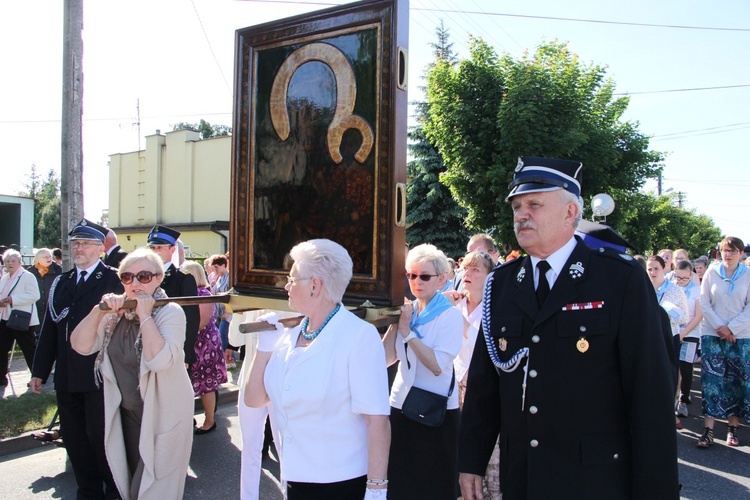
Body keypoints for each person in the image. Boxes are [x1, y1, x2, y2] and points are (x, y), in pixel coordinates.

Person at [458, 156, 679, 500]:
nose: (521, 214)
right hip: (524, 477)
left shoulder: (618, 278)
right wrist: (471, 460)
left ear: (571, 212)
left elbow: (650, 391)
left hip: (593, 479)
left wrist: (655, 488)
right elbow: (485, 385)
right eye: (517, 205)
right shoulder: (502, 283)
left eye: (534, 203)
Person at [245, 239, 390, 500]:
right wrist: (264, 348)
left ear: (315, 285)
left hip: (339, 483)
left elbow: (376, 420)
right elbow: (254, 399)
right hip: (294, 477)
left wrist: (376, 489)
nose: (286, 286)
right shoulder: (290, 334)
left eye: (292, 279)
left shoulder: (358, 336)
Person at [71, 248, 194, 498]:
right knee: (130, 484)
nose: (135, 283)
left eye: (144, 276)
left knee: (156, 487)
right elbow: (80, 346)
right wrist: (99, 311)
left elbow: (159, 361)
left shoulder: (170, 312)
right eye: (127, 277)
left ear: (159, 278)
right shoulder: (116, 315)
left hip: (164, 412)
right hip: (127, 414)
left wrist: (145, 316)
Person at [31, 218, 124, 499]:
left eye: (85, 243)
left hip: (99, 371)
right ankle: (88, 490)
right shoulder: (62, 281)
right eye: (75, 244)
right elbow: (50, 328)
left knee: (101, 436)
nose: (78, 248)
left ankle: (115, 489)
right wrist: (39, 371)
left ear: (100, 248)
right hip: (67, 373)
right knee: (74, 437)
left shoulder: (114, 279)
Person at [384, 243, 463, 500]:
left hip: (434, 408)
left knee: (433, 483)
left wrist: (409, 334)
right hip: (400, 403)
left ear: (441, 280)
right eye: (412, 275)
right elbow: (385, 360)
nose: (417, 281)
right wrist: (395, 325)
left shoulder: (449, 315)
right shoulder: (409, 311)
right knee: (399, 479)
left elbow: (438, 366)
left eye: (424, 276)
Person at [444, 250, 497, 499]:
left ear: (489, 276)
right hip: (453, 393)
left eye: (476, 269)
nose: (468, 273)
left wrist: (455, 316)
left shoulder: (494, 308)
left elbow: (480, 343)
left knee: (480, 461)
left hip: (480, 395)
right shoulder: (453, 303)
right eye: (466, 268)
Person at [697, 236, 750, 448]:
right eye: (725, 251)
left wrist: (732, 328)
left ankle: (732, 429)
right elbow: (704, 302)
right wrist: (720, 327)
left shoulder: (747, 274)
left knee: (735, 380)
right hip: (713, 333)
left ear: (741, 253)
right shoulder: (711, 272)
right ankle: (708, 430)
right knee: (712, 381)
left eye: (733, 251)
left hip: (740, 335)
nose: (728, 255)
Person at [181, 260, 228, 434]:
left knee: (207, 384)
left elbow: (200, 323)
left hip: (204, 344)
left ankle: (209, 421)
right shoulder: (192, 293)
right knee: (194, 382)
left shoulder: (202, 293)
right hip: (194, 343)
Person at [146, 225, 199, 367]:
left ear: (172, 249)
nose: (155, 252)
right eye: (152, 248)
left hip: (172, 345)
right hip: (146, 345)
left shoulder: (183, 279)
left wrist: (186, 354)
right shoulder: (142, 277)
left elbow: (191, 319)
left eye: (160, 248)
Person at [0, 249, 40, 384]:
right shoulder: (5, 277)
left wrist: (13, 299)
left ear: (19, 262)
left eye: (13, 261)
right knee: (1, 348)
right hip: (5, 318)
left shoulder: (27, 276)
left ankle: (38, 376)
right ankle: (1, 377)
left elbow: (35, 295)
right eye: (7, 261)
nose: (10, 263)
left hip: (21, 319)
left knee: (29, 349)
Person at [673, 259, 703, 419]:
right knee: (674, 366)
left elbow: (699, 315)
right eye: (678, 277)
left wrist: (683, 334)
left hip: (690, 334)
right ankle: (674, 397)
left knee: (686, 366)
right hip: (674, 332)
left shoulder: (697, 291)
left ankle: (683, 399)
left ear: (691, 275)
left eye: (684, 278)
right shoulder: (672, 287)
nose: (680, 281)